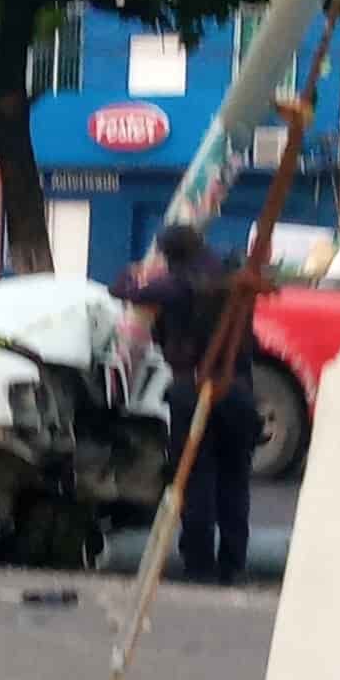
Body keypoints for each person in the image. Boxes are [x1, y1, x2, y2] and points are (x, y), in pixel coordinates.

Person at [112, 225, 261, 585]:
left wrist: (132, 275)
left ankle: (199, 565)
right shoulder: (233, 279)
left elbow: (123, 291)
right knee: (234, 481)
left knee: (197, 479)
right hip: (238, 389)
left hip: (192, 388)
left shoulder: (177, 285)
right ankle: (233, 563)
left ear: (170, 255)